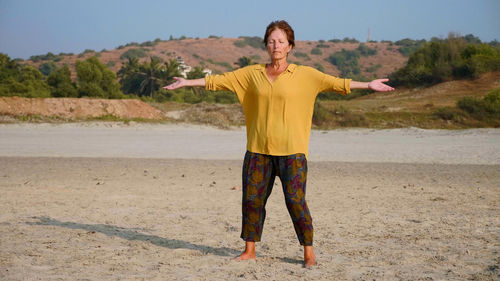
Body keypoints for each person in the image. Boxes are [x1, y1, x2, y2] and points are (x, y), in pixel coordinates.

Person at [163, 20, 394, 267]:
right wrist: (187, 82)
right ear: (266, 45)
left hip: (292, 153)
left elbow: (339, 83)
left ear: (290, 46)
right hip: (257, 151)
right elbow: (218, 81)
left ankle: (308, 251)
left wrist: (368, 84)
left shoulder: (306, 75)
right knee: (252, 201)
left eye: (281, 41)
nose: (276, 45)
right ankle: (249, 250)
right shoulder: (250, 74)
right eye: (272, 41)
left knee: (295, 201)